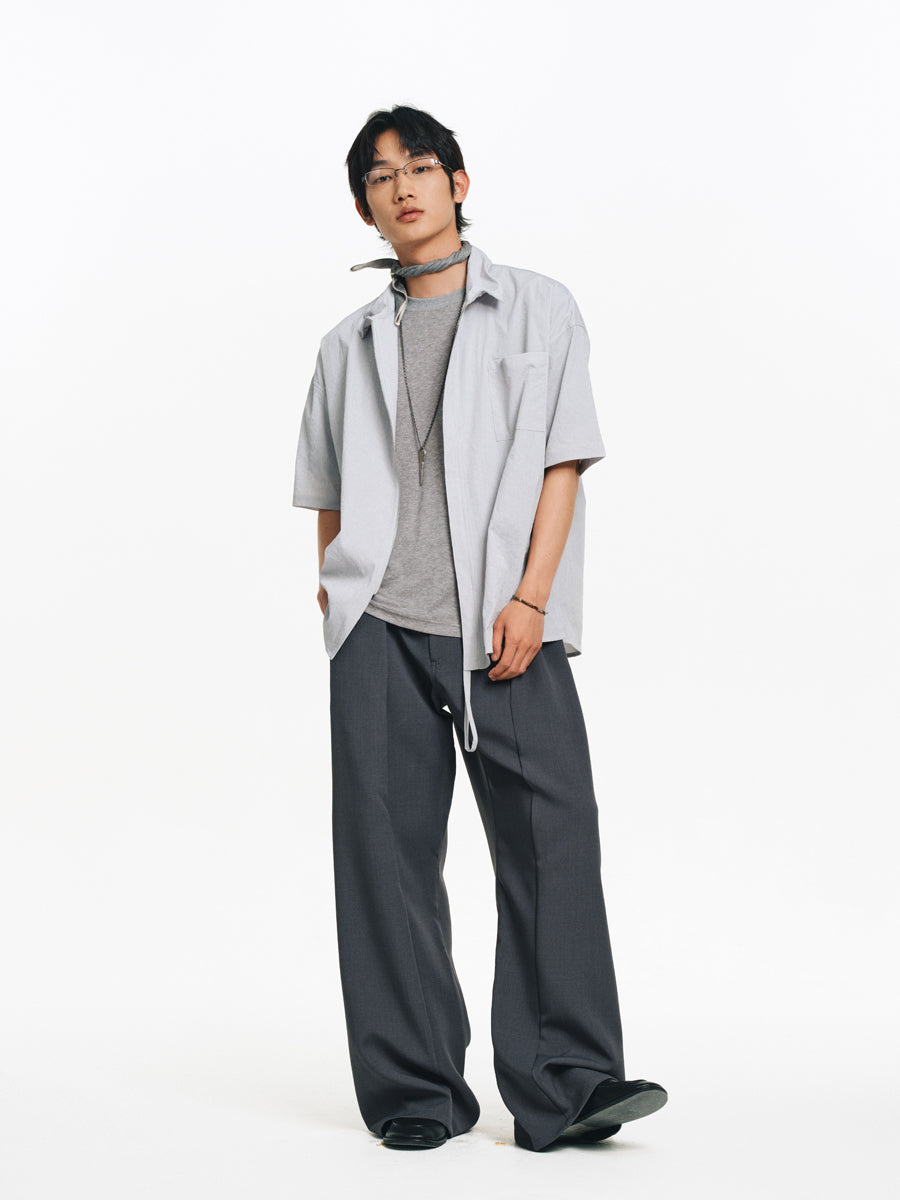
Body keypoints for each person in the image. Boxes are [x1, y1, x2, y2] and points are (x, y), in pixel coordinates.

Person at [292, 104, 667, 1152]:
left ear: (458, 183)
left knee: (552, 840)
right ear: (365, 209)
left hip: (505, 619)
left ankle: (568, 1085)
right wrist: (336, 592)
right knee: (386, 862)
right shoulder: (345, 344)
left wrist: (533, 597)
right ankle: (415, 1092)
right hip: (380, 627)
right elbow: (327, 487)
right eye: (380, 177)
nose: (402, 187)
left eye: (419, 167)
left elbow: (563, 460)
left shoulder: (539, 307)